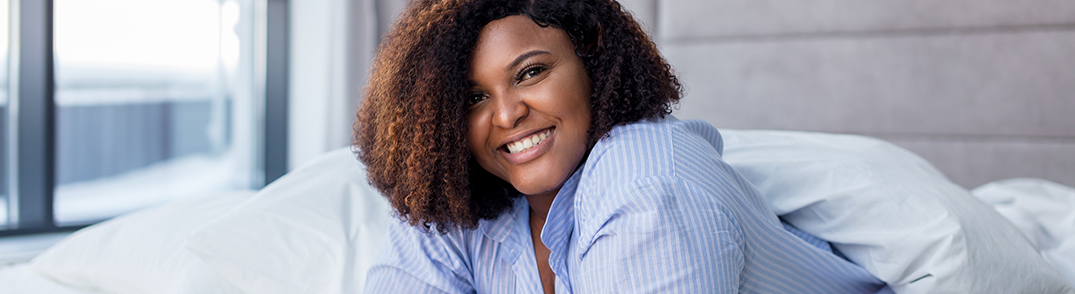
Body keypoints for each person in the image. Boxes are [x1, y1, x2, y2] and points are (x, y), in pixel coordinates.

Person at [355, 0, 889, 293]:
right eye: (473, 97)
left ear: (592, 61)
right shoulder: (452, 203)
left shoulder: (648, 183)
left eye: (531, 72)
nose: (506, 114)